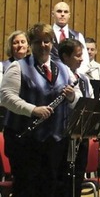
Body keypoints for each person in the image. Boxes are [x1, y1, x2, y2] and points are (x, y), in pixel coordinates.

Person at [0, 23, 81, 197]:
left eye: (47, 41)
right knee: (27, 189)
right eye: (38, 42)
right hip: (24, 142)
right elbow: (6, 97)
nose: (43, 46)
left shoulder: (64, 69)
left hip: (55, 142)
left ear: (52, 43)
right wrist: (33, 109)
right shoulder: (18, 67)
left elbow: (77, 98)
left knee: (52, 188)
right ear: (31, 44)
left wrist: (72, 97)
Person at [58, 38, 93, 197]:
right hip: (64, 135)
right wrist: (72, 98)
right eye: (77, 55)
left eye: (82, 55)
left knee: (78, 174)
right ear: (65, 57)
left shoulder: (84, 78)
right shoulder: (59, 76)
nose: (81, 59)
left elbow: (90, 99)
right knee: (64, 178)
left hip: (81, 133)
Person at [50, 2, 89, 66]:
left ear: (69, 15)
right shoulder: (47, 34)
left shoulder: (77, 36)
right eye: (59, 11)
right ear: (53, 14)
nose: (62, 14)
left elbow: (84, 61)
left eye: (65, 12)